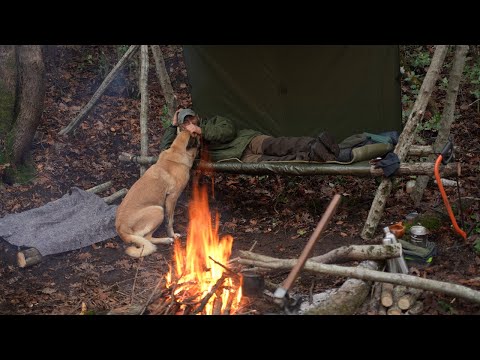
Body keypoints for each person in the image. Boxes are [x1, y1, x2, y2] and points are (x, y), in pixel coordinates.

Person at [159, 108, 339, 163]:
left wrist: (201, 131)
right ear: (182, 125)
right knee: (276, 161)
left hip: (248, 141)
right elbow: (166, 151)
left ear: (197, 116)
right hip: (240, 157)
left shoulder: (213, 121)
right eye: (185, 122)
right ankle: (313, 155)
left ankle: (318, 144)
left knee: (280, 145)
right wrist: (172, 125)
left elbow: (228, 132)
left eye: (191, 118)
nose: (190, 122)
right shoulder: (188, 143)